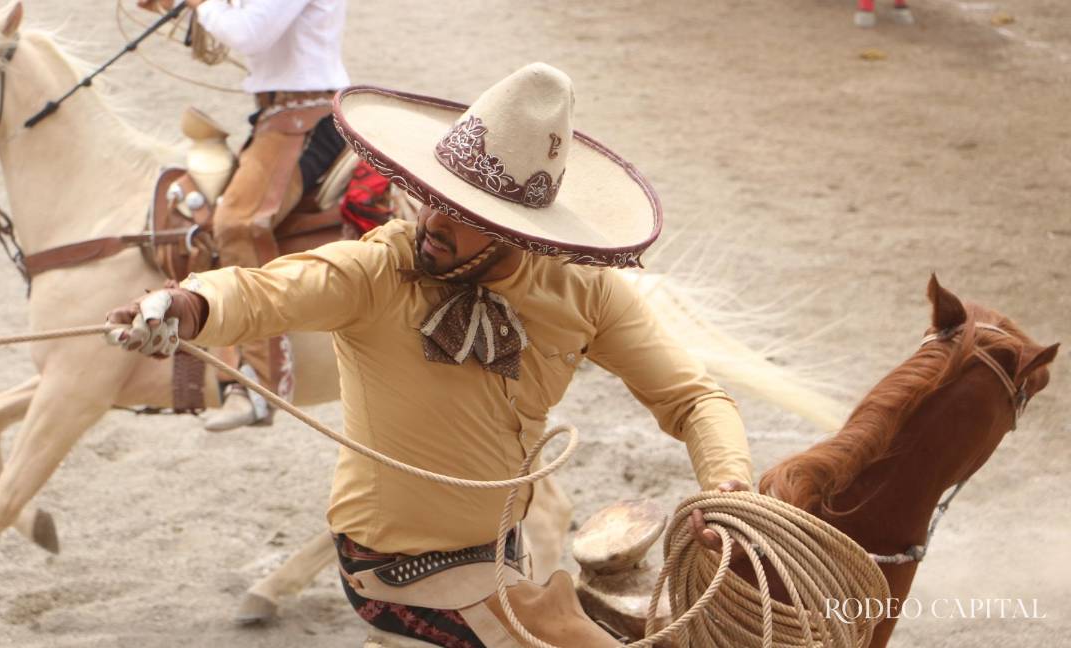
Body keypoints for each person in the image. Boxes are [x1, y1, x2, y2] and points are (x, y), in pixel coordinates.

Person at [107, 63, 753, 646]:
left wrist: (728, 486)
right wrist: (187, 305)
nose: (431, 220)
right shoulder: (380, 268)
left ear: (516, 233)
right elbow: (265, 290)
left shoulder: (583, 291)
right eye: (432, 195)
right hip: (395, 569)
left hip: (500, 554)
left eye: (460, 210)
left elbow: (692, 398)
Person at [138, 0, 351, 431]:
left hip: (302, 121)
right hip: (280, 117)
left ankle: (257, 383)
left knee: (237, 222)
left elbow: (250, 33)